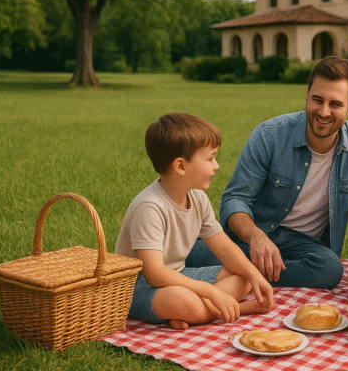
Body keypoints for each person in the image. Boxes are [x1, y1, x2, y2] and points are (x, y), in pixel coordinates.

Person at [186, 56, 348, 289]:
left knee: (330, 269)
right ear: (307, 94)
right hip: (251, 238)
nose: (323, 111)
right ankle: (243, 267)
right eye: (317, 100)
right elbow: (235, 199)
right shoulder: (270, 134)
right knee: (191, 252)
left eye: (335, 104)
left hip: (304, 247)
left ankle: (241, 272)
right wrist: (256, 237)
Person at [115, 113, 273, 330]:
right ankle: (235, 308)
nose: (216, 165)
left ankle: (199, 312)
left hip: (178, 274)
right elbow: (154, 273)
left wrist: (255, 275)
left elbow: (224, 247)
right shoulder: (149, 207)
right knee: (184, 301)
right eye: (210, 158)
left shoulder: (197, 197)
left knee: (244, 277)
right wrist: (210, 291)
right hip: (137, 287)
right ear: (180, 166)